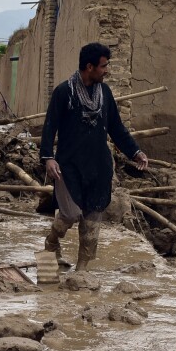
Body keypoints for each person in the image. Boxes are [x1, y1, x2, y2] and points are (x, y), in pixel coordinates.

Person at [40, 42, 148, 271]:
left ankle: (80, 272)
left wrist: (135, 152)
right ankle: (50, 243)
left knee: (91, 224)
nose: (107, 70)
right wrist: (49, 158)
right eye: (103, 66)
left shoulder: (105, 94)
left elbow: (116, 128)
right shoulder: (64, 92)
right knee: (69, 214)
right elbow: (49, 128)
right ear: (89, 67)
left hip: (98, 168)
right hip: (68, 166)